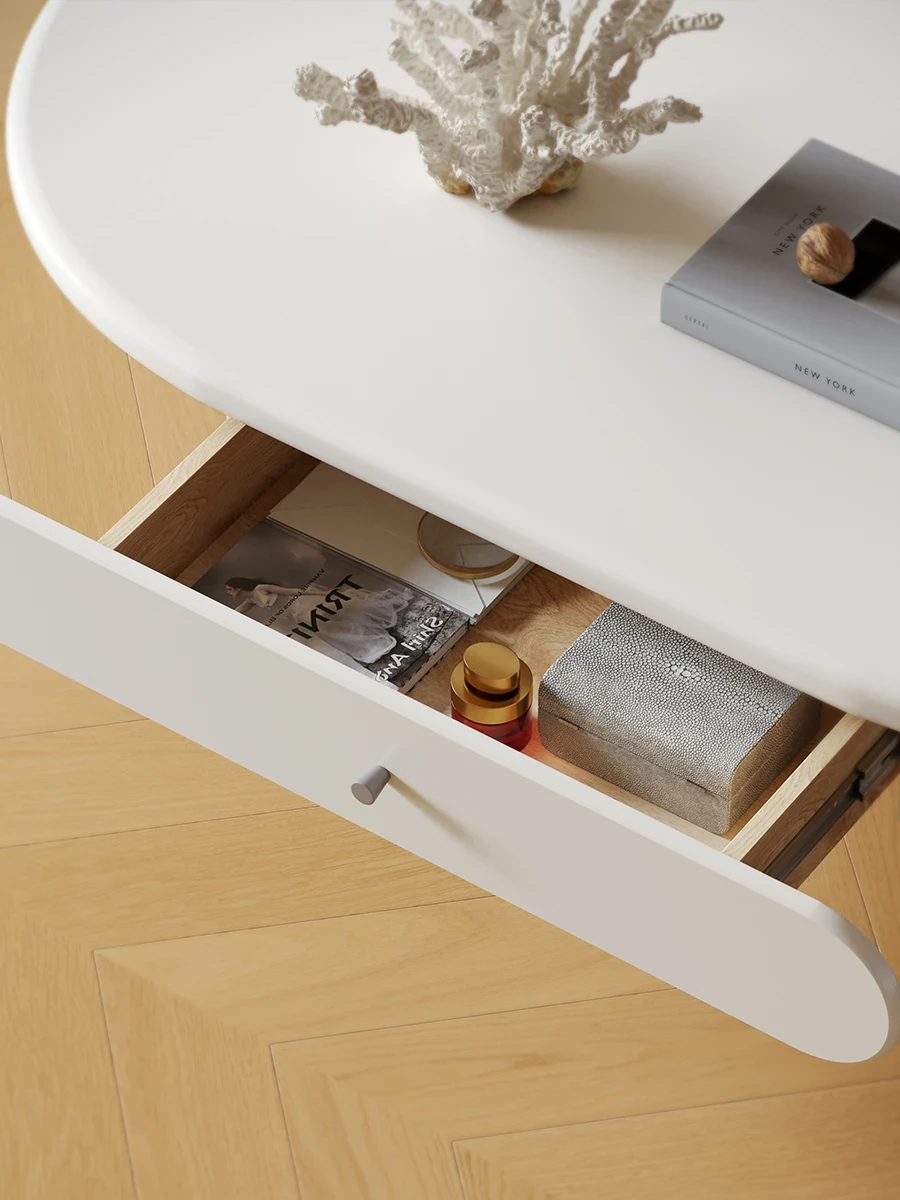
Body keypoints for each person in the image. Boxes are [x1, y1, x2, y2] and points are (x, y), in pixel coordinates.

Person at [223, 576, 415, 665]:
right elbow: (237, 611)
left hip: (303, 603)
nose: (230, 593)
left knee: (345, 610)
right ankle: (372, 646)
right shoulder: (251, 600)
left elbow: (290, 591)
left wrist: (322, 593)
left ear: (237, 586)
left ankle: (379, 626)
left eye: (230, 589)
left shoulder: (261, 588)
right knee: (330, 628)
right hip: (299, 614)